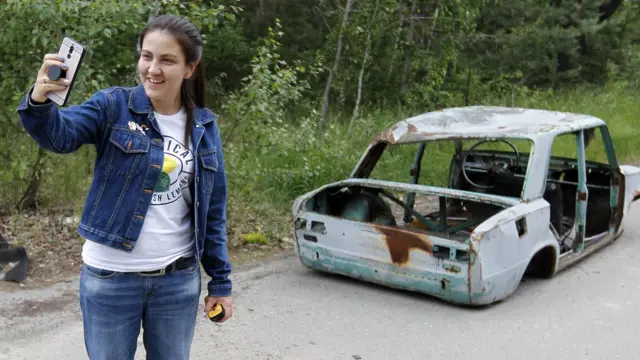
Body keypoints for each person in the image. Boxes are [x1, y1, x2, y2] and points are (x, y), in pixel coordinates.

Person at [15, 14, 232, 360]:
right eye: (147, 56)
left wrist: (220, 281)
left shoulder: (204, 126)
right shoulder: (113, 106)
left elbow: (214, 209)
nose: (153, 69)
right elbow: (61, 135)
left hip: (177, 281)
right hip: (110, 279)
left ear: (190, 68)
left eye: (167, 60)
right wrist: (40, 103)